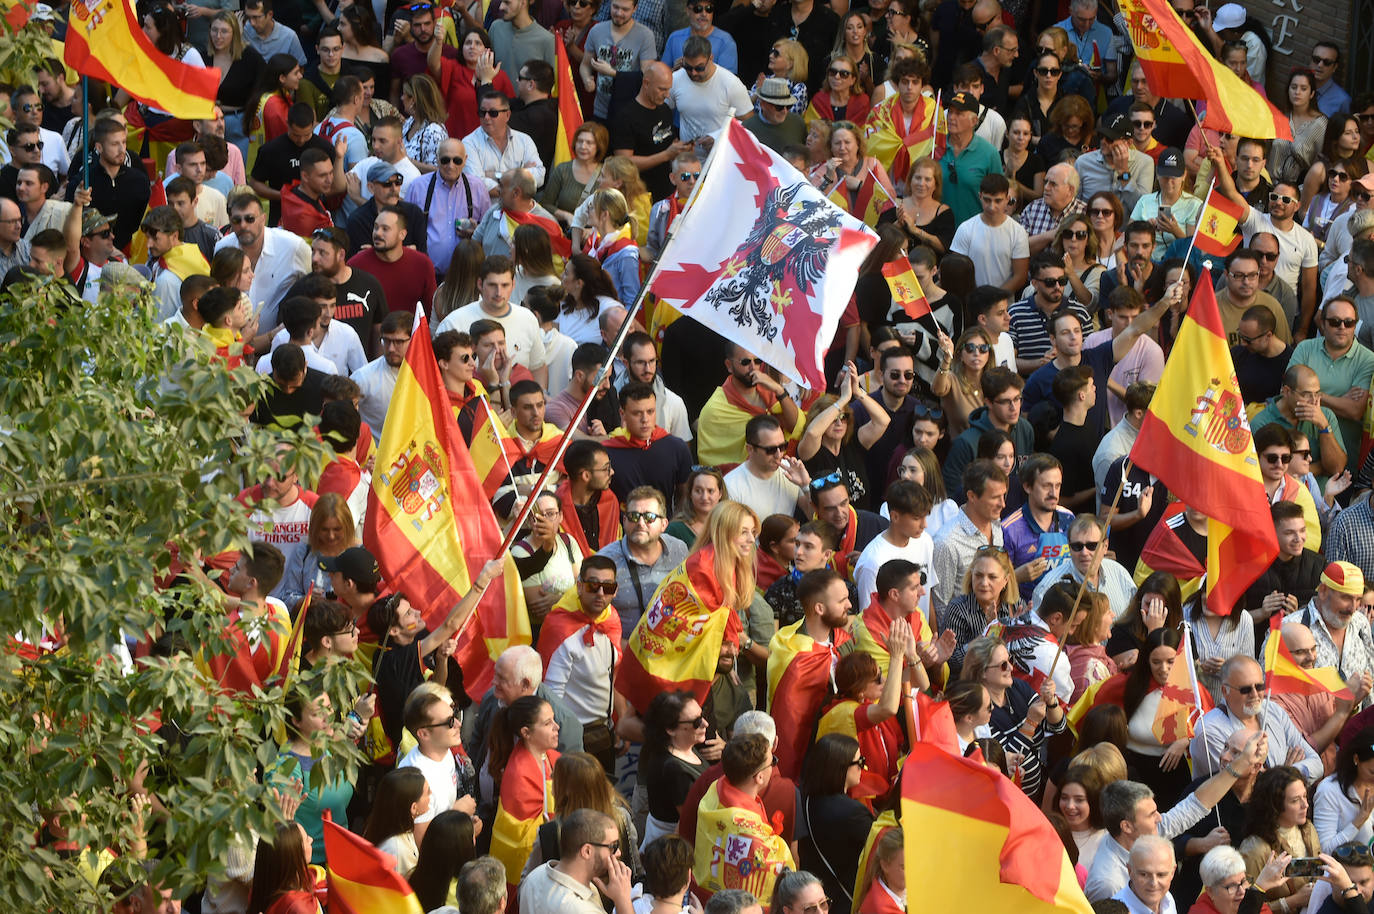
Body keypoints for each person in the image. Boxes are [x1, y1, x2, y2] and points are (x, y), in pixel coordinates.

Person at [1084, 729, 1269, 902]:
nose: (1160, 817)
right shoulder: (1108, 882)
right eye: (1151, 815)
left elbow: (1196, 804)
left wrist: (1244, 760)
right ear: (1127, 826)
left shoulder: (1146, 833)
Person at [816, 621, 919, 805]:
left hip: (886, 795)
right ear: (860, 690)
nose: (885, 680)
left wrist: (911, 656)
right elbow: (888, 708)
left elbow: (919, 686)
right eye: (879, 679)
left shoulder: (870, 701)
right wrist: (895, 657)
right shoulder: (842, 712)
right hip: (857, 802)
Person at [691, 733, 795, 904]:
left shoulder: (715, 789)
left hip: (706, 894)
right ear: (759, 777)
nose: (774, 766)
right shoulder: (749, 831)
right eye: (773, 761)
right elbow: (780, 866)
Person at [1190, 655, 1323, 782]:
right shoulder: (1209, 732)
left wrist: (1286, 773)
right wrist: (1287, 775)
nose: (1254, 695)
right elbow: (1242, 790)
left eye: (1259, 687)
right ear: (1225, 691)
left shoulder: (1273, 710)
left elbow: (1316, 764)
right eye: (1246, 689)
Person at [489, 694, 562, 892]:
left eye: (554, 720)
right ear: (526, 732)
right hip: (526, 869)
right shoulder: (520, 774)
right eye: (547, 723)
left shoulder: (551, 756)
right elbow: (526, 838)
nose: (557, 727)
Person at [797, 733, 878, 909]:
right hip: (844, 902)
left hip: (813, 901)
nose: (863, 768)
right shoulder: (854, 813)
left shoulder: (803, 799)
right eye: (860, 762)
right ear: (841, 768)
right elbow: (879, 853)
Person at [216, 191, 312, 332]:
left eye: (250, 219)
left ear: (263, 219)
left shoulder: (293, 247)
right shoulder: (223, 247)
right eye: (237, 220)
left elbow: (314, 285)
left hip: (280, 343)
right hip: (233, 342)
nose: (243, 225)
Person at [519, 807, 635, 914]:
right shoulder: (583, 910)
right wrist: (623, 900)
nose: (618, 852)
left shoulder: (533, 878)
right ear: (587, 851)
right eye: (613, 846)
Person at [637, 691, 711, 848]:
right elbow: (690, 823)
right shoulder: (674, 770)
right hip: (673, 852)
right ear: (670, 729)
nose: (705, 724)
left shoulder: (682, 748)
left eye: (703, 715)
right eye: (696, 722)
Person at [1033, 514, 1138, 620]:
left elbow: (1136, 617)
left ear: (1105, 546)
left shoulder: (1119, 573)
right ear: (1069, 547)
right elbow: (1037, 633)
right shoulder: (1048, 587)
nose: (1084, 552)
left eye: (1092, 546)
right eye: (1077, 546)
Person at [346, 206, 435, 317]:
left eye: (385, 229)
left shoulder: (422, 265)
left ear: (402, 234)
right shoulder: (355, 266)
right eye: (376, 227)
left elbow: (431, 312)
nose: (377, 233)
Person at [722, 414, 814, 523]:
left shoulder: (790, 471)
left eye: (783, 446)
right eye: (771, 449)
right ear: (750, 449)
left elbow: (813, 516)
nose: (778, 454)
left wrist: (806, 486)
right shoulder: (732, 485)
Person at [581, 0, 658, 121]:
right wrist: (586, 79)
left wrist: (613, 73)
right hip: (600, 109)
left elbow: (646, 76)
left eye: (625, 9)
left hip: (629, 111)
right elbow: (585, 65)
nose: (619, 13)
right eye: (615, 7)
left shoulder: (645, 36)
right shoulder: (596, 31)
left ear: (635, 8)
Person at [463, 89, 545, 197]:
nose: (486, 117)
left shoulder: (524, 140)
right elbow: (476, 183)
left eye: (493, 113)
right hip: (486, 211)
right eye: (482, 113)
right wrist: (521, 173)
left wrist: (496, 175)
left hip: (520, 212)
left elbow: (539, 176)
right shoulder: (469, 143)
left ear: (507, 115)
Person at [1077, 112, 1155, 215]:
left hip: (1126, 229)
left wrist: (1124, 173)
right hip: (1092, 227)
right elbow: (1074, 204)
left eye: (1110, 139)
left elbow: (1143, 210)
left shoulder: (1145, 162)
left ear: (1128, 143)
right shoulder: (1083, 162)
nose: (1103, 141)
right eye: (1101, 136)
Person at [363, 767, 430, 876]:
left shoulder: (386, 825)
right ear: (413, 807)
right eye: (427, 792)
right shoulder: (397, 850)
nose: (431, 794)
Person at [1192, 844, 1293, 914]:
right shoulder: (1200, 911)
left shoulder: (1250, 901)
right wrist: (1259, 888)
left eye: (1243, 882)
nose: (1241, 891)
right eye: (1231, 886)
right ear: (1210, 892)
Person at [246, 821, 317, 914]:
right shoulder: (297, 907)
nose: (311, 839)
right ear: (294, 855)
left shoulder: (261, 888)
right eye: (306, 839)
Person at [666, 467, 726, 546]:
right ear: (690, 493)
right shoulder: (675, 530)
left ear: (720, 494)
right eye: (698, 491)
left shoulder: (730, 526)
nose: (704, 497)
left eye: (710, 491)